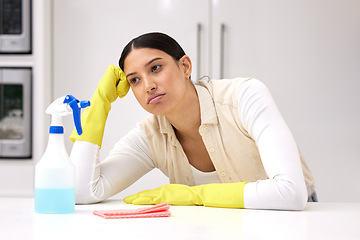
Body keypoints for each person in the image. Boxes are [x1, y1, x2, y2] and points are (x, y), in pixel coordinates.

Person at [70, 32, 317, 210]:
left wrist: (193, 195)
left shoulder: (244, 96)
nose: (148, 85)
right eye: (134, 80)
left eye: (155, 68)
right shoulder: (149, 136)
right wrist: (99, 105)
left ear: (185, 66)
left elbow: (291, 193)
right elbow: (81, 192)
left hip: (290, 225)